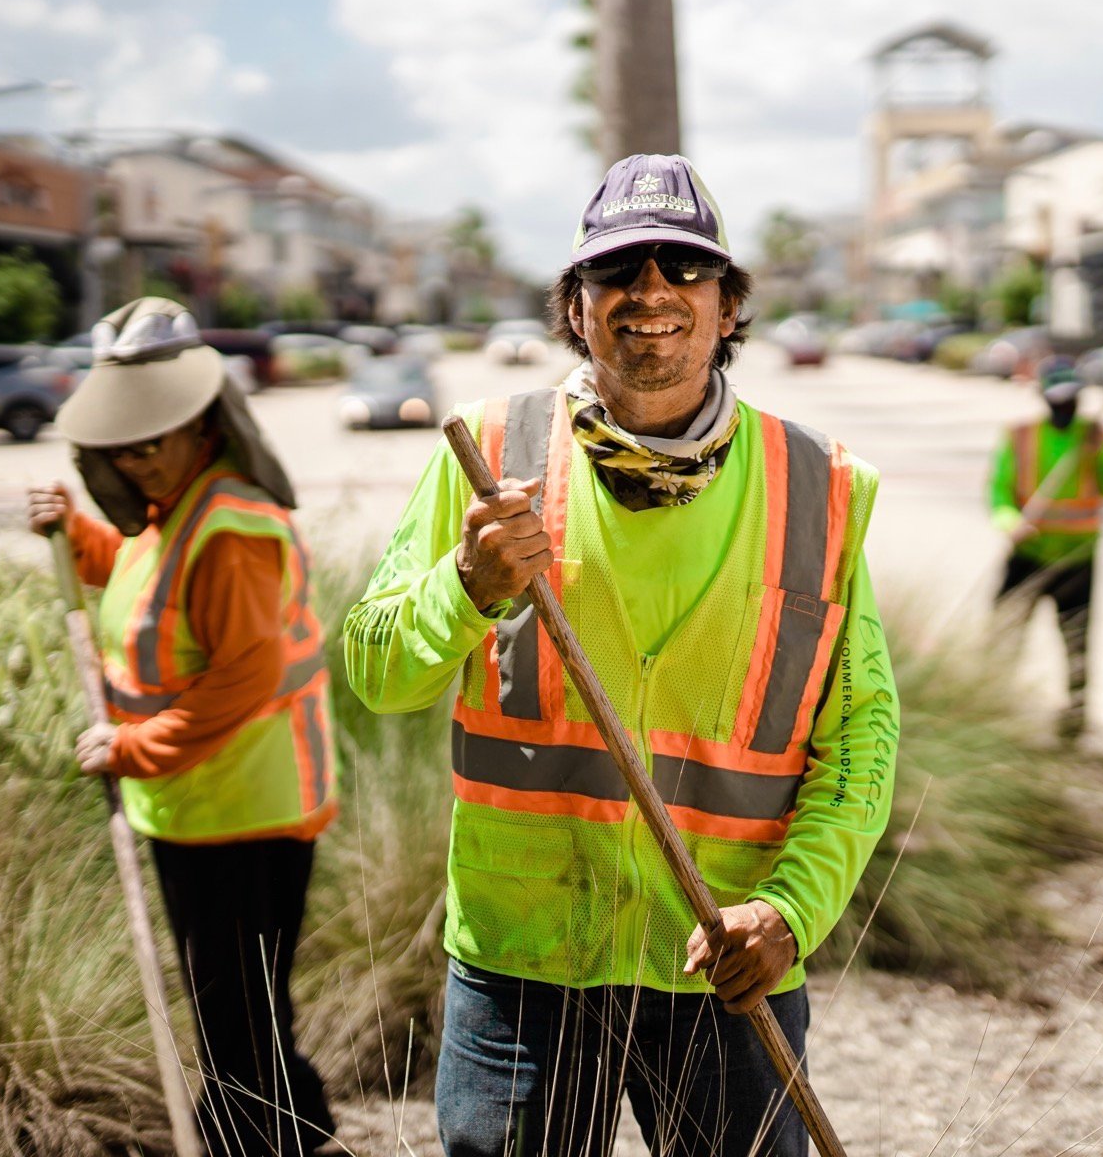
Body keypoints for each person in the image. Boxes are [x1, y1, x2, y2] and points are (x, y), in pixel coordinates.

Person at [343, 153, 898, 1157]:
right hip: (525, 969)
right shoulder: (487, 452)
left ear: (730, 307)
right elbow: (377, 671)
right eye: (617, 272)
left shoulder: (819, 485)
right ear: (576, 306)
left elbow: (860, 741)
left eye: (684, 269)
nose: (651, 293)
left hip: (724, 966)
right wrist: (464, 588)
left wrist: (789, 914)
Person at [26, 297, 338, 1156]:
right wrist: (77, 536)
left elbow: (245, 676)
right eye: (121, 448)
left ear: (197, 427)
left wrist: (132, 748)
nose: (137, 459)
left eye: (151, 442)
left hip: (246, 816)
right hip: (200, 807)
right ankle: (300, 1134)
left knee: (237, 1019)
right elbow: (143, 580)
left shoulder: (230, 527)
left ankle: (258, 1141)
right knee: (240, 1010)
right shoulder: (177, 511)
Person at [988, 359, 1103, 740]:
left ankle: (1075, 717)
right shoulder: (1020, 436)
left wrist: (1099, 455)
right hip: (1029, 553)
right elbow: (999, 490)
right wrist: (1010, 522)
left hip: (1077, 557)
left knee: (1076, 639)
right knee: (1003, 633)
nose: (1065, 409)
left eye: (1072, 402)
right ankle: (989, 705)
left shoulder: (1098, 436)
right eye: (1058, 401)